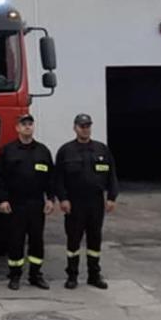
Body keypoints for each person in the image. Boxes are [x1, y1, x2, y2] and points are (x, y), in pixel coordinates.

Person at [0, 114, 60, 290]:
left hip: (36, 204)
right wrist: (2, 199)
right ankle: (15, 275)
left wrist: (51, 199)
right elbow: (0, 178)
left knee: (36, 240)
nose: (27, 127)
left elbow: (50, 179)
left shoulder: (43, 151)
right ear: (17, 128)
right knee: (15, 240)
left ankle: (35, 275)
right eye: (24, 124)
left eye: (30, 124)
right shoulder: (8, 150)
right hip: (16, 204)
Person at [56, 113, 118, 290]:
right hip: (74, 203)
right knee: (73, 241)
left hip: (95, 203)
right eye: (82, 126)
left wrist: (112, 197)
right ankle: (72, 276)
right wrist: (63, 198)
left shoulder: (101, 150)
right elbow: (58, 179)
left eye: (88, 126)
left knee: (94, 240)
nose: (85, 129)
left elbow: (112, 176)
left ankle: (94, 275)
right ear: (75, 128)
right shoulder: (66, 151)